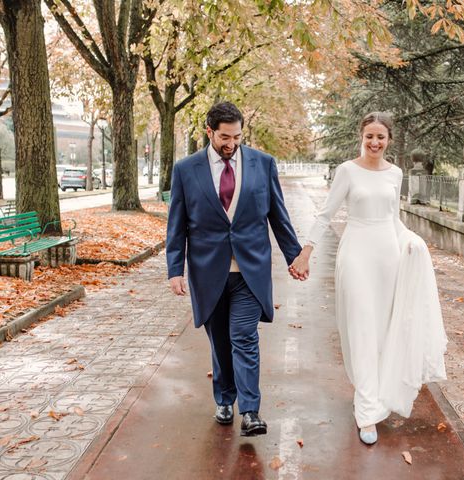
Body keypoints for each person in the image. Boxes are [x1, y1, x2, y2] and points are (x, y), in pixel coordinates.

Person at [289, 112, 448, 445]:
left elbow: (394, 220)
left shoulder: (396, 173)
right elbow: (325, 214)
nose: (375, 143)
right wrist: (306, 252)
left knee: (383, 329)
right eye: (369, 137)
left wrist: (412, 241)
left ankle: (376, 393)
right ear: (360, 137)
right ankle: (367, 411)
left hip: (388, 256)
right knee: (361, 327)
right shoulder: (347, 171)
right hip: (356, 254)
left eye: (381, 137)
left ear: (389, 139)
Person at [166, 101, 303, 437]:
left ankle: (251, 411)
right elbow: (177, 223)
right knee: (220, 343)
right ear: (209, 132)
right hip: (207, 273)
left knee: (243, 337)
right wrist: (175, 269)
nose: (231, 144)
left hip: (249, 271)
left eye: (237, 136)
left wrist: (294, 257)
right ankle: (224, 399)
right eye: (224, 137)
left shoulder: (263, 164)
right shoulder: (186, 169)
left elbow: (278, 216)